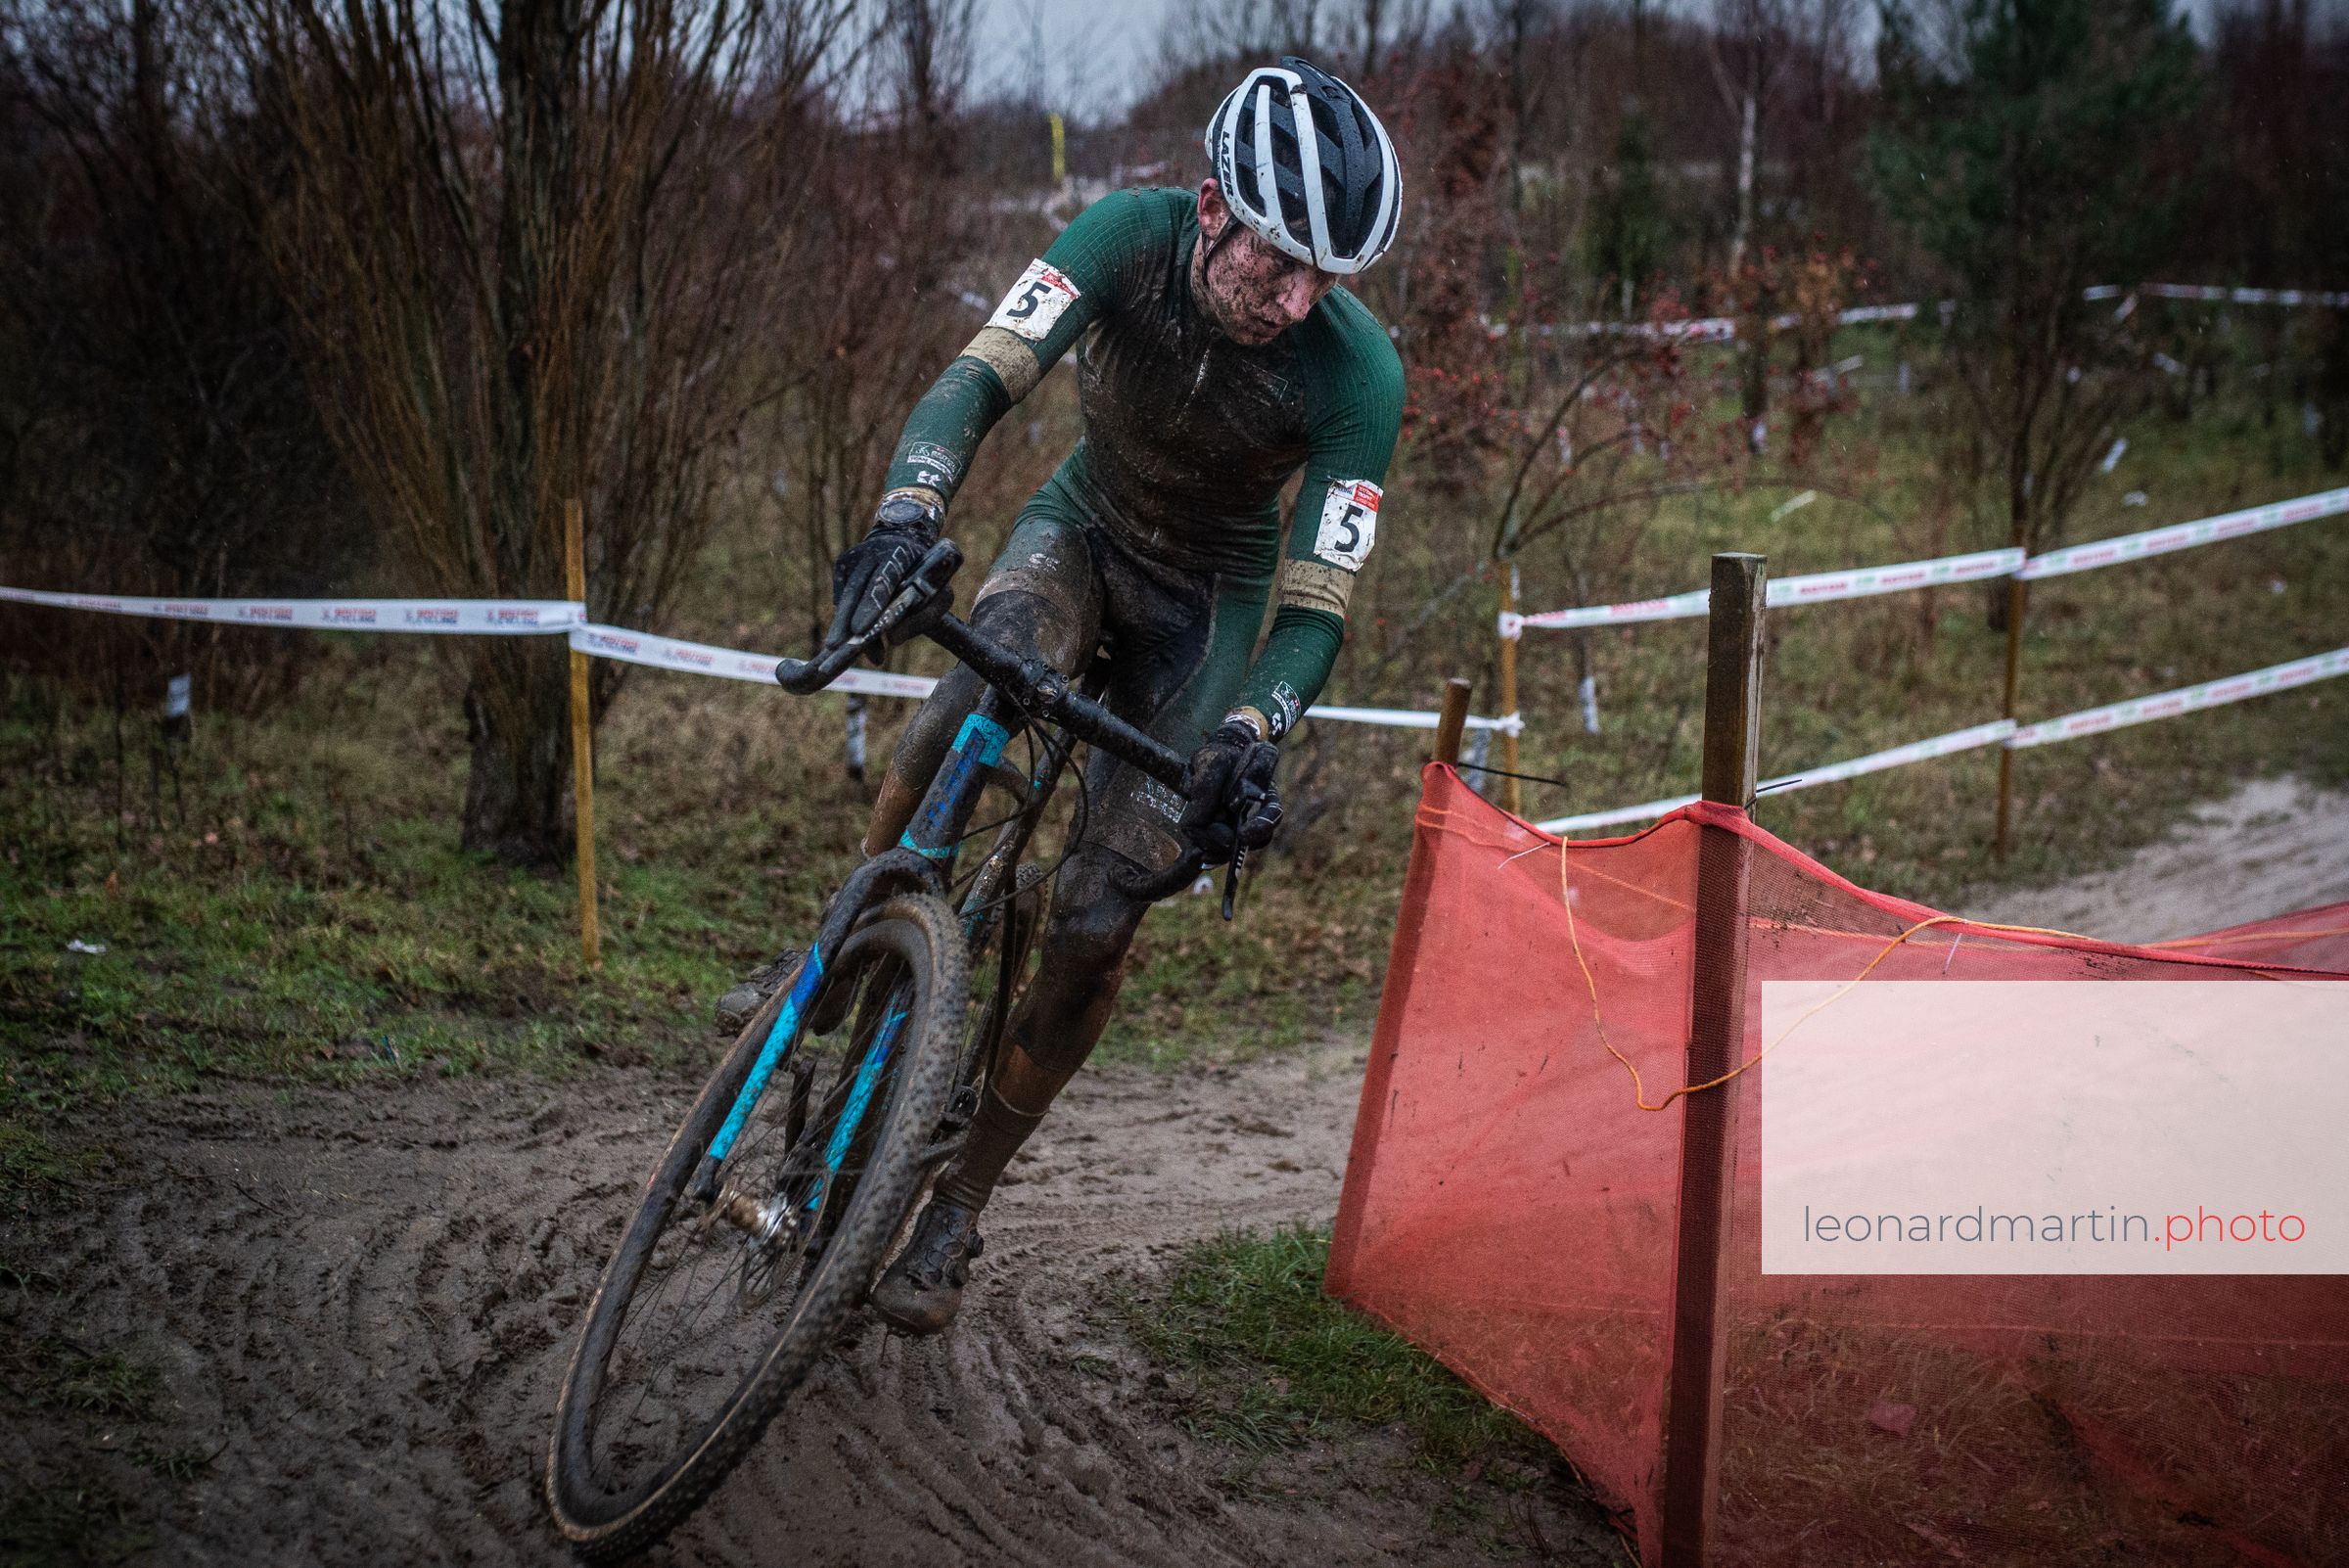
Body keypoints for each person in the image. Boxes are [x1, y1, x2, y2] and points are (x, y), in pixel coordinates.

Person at [765, 56, 1404, 1335]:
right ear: (1213, 207)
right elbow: (979, 376)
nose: (1299, 299)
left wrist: (1251, 728)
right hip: (1080, 533)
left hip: (1204, 615)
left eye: (1328, 279)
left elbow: (1315, 605)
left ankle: (958, 1201)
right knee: (962, 704)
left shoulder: (1358, 377)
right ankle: (837, 958)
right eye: (1282, 262)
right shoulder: (1123, 236)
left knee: (1101, 914)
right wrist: (907, 511)